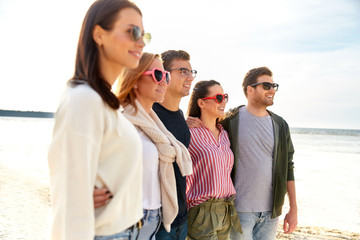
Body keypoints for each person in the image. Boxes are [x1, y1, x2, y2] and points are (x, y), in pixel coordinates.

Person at [47, 0, 151, 239]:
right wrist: (76, 193)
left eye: (144, 35)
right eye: (132, 31)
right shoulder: (83, 99)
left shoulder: (105, 103)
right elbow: (68, 205)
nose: (140, 42)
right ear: (99, 34)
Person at [93, 50, 197, 240]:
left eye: (165, 75)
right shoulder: (117, 120)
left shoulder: (155, 127)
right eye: (158, 75)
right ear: (134, 80)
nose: (164, 81)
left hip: (153, 220)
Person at [224, 67, 297, 240]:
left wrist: (293, 209)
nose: (272, 90)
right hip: (239, 211)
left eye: (274, 85)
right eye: (266, 85)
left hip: (271, 214)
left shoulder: (280, 125)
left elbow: (289, 166)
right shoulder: (229, 120)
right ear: (250, 89)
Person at [185, 80, 242, 240]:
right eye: (218, 97)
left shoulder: (224, 134)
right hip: (202, 211)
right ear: (201, 103)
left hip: (226, 209)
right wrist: (182, 124)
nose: (223, 101)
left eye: (225, 97)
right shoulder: (189, 133)